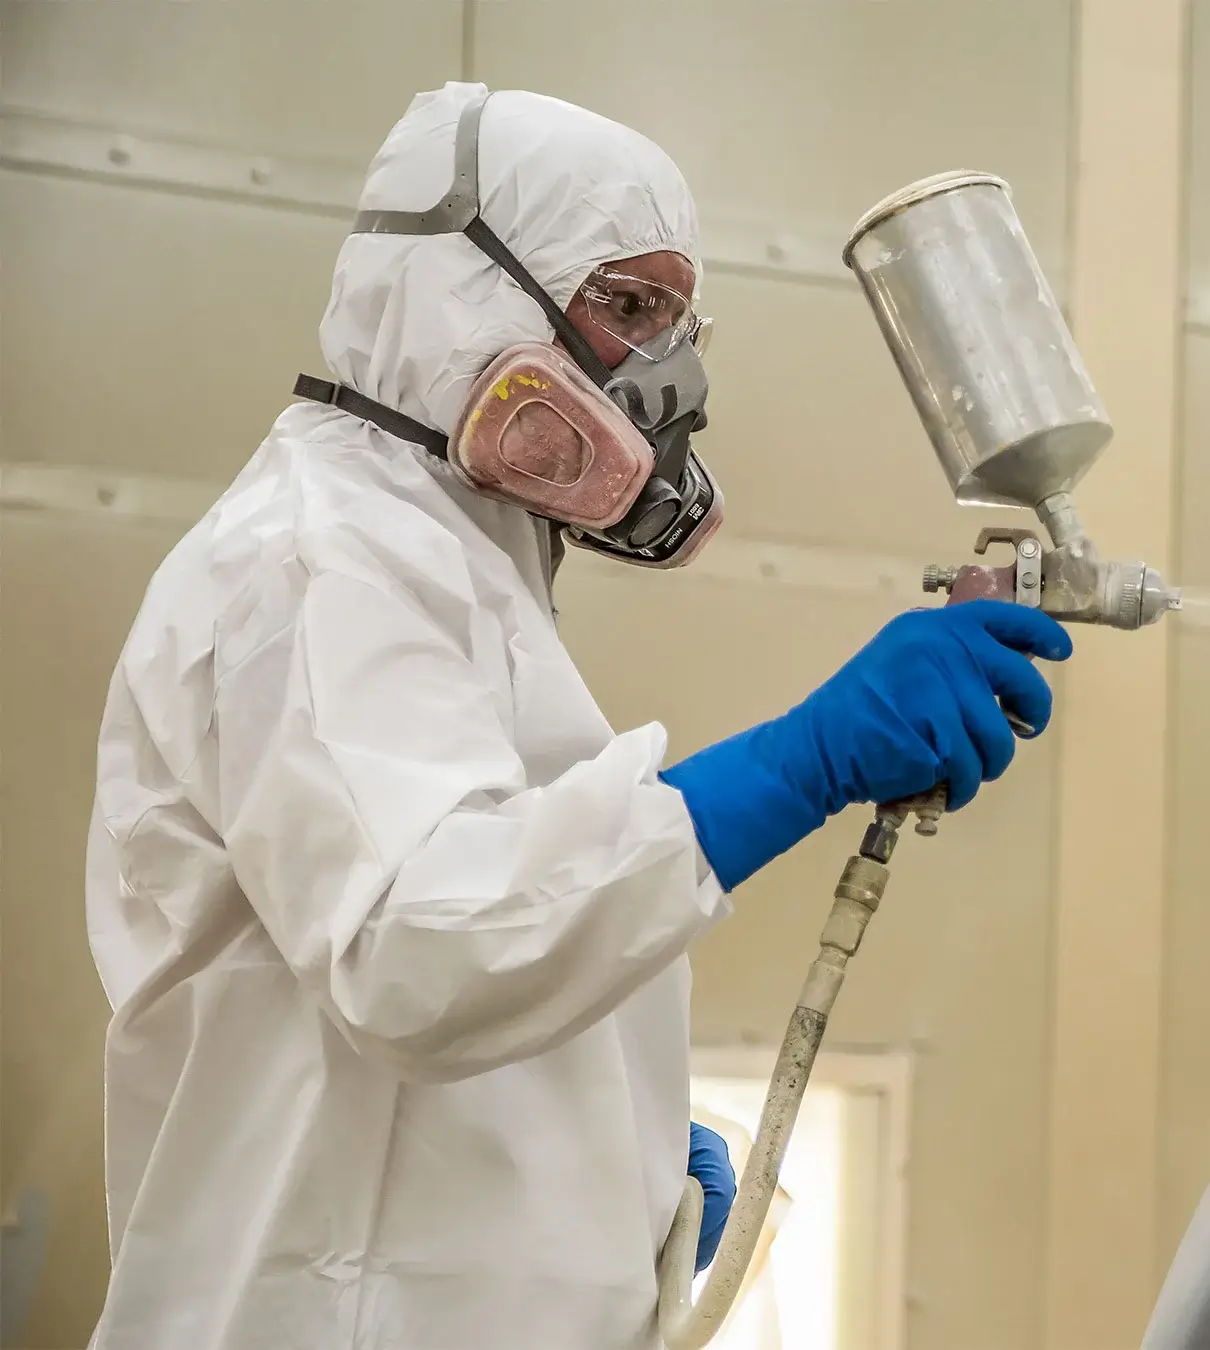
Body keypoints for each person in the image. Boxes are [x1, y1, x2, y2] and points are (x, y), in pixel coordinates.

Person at [82, 83, 1069, 1350]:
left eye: (679, 322)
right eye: (629, 307)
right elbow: (420, 944)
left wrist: (614, 1146)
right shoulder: (314, 559)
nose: (674, 377)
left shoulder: (445, 565)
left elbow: (455, 924)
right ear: (459, 291)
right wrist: (801, 760)